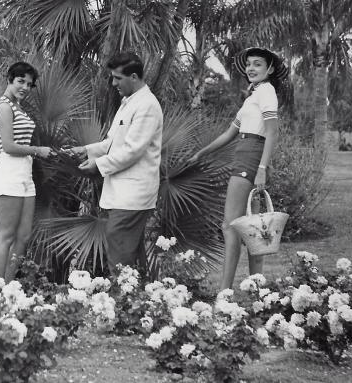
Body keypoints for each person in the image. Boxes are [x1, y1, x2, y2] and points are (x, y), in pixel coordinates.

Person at [187, 47, 288, 291]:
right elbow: (229, 133)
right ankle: (257, 291)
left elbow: (273, 132)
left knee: (230, 226)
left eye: (258, 64)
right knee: (254, 229)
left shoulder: (266, 92)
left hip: (250, 161)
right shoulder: (253, 96)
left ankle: (224, 292)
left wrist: (262, 168)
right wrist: (202, 153)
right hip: (244, 156)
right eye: (249, 64)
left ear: (270, 69)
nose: (251, 68)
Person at [65, 52, 164, 271]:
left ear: (135, 77)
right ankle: (138, 301)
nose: (113, 83)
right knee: (130, 256)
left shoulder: (147, 105)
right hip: (121, 192)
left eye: (118, 78)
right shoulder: (128, 102)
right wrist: (85, 150)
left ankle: (121, 300)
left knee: (119, 254)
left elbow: (132, 151)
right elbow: (112, 143)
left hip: (133, 194)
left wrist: (98, 166)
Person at [0, 62, 54, 280]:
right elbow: (8, 145)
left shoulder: (18, 107)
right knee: (6, 235)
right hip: (9, 173)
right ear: (9, 79)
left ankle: (8, 287)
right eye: (20, 81)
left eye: (29, 84)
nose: (25, 87)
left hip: (25, 175)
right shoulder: (4, 107)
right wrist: (37, 150)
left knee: (24, 236)